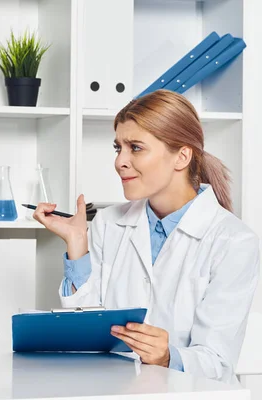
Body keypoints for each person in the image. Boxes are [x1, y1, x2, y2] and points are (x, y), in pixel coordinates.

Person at [33, 89, 260, 383]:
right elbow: (87, 333)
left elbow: (216, 362)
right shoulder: (108, 223)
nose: (120, 162)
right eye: (118, 148)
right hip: (115, 389)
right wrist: (77, 245)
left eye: (135, 148)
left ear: (181, 156)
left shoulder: (234, 241)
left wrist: (167, 356)